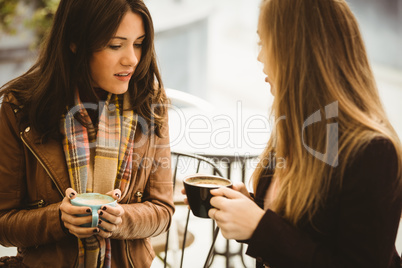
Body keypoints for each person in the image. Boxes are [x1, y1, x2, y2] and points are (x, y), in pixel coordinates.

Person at [186, 0, 402, 267]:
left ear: (297, 52)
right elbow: (305, 230)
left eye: (264, 43)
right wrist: (250, 208)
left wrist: (260, 228)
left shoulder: (373, 152)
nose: (259, 57)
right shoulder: (296, 130)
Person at [0, 0, 174, 267]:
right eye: (116, 45)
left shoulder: (148, 102)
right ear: (75, 42)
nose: (132, 59)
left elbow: (163, 212)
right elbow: (4, 223)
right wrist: (58, 219)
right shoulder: (20, 108)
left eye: (138, 43)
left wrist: (121, 220)